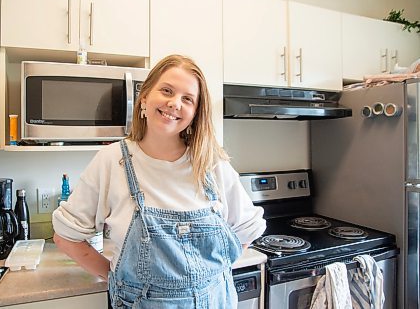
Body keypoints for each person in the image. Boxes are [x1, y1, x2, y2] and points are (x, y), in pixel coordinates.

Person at [52, 54, 266, 308]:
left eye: (187, 99)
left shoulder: (211, 163)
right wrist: (117, 279)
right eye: (166, 90)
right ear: (144, 98)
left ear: (196, 113)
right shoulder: (112, 161)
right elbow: (66, 237)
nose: (175, 103)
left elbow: (247, 229)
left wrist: (211, 279)